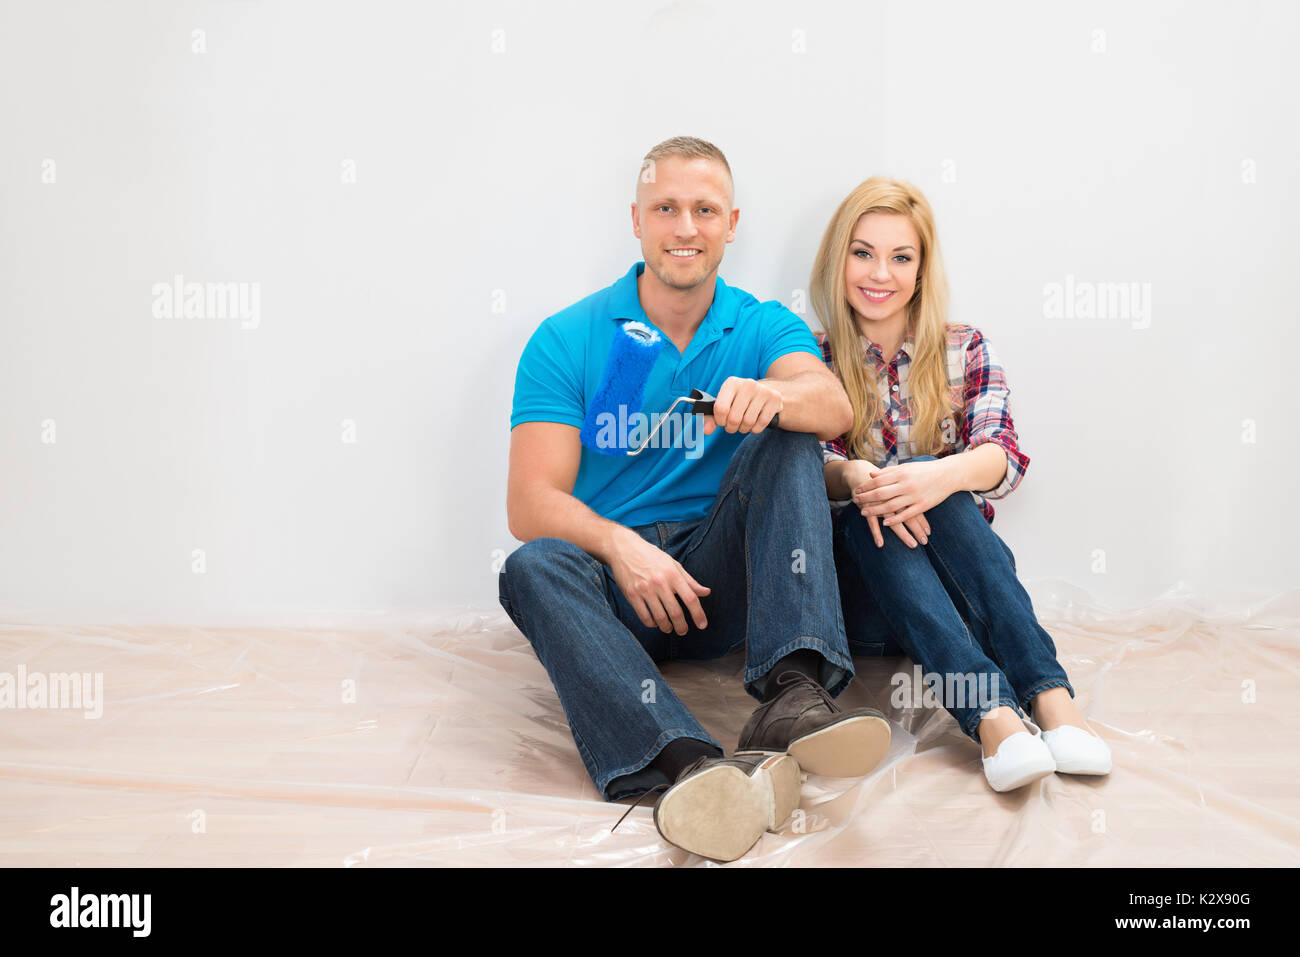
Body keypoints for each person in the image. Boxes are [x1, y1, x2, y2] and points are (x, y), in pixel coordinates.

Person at [498, 137, 891, 862]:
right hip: (622, 591)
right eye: (667, 208)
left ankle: (791, 696)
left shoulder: (762, 321)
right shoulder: (567, 337)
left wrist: (773, 395)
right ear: (637, 220)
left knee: (790, 435)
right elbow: (529, 501)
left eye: (704, 210)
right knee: (530, 565)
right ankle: (694, 767)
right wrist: (621, 547)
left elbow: (833, 407)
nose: (686, 227)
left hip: (723, 577)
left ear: (731, 223)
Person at [811, 176, 1112, 792]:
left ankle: (1052, 704)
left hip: (959, 598)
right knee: (874, 515)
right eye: (862, 252)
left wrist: (935, 477)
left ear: (921, 271)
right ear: (838, 260)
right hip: (863, 602)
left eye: (901, 257)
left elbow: (1003, 459)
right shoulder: (811, 358)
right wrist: (867, 482)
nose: (880, 273)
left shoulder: (963, 345)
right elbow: (808, 471)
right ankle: (996, 720)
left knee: (944, 495)